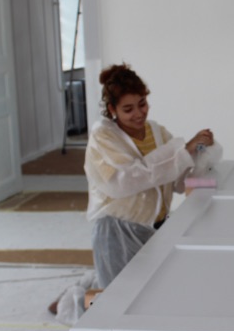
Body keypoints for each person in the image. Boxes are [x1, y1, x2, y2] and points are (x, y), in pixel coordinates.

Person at [85, 63, 215, 288]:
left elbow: (177, 181)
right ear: (112, 109)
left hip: (156, 227)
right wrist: (185, 151)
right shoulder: (103, 138)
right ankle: (76, 299)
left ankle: (84, 292)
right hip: (118, 232)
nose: (138, 114)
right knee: (118, 296)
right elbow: (128, 180)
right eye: (128, 109)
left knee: (155, 292)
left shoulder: (157, 132)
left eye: (142, 104)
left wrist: (199, 153)